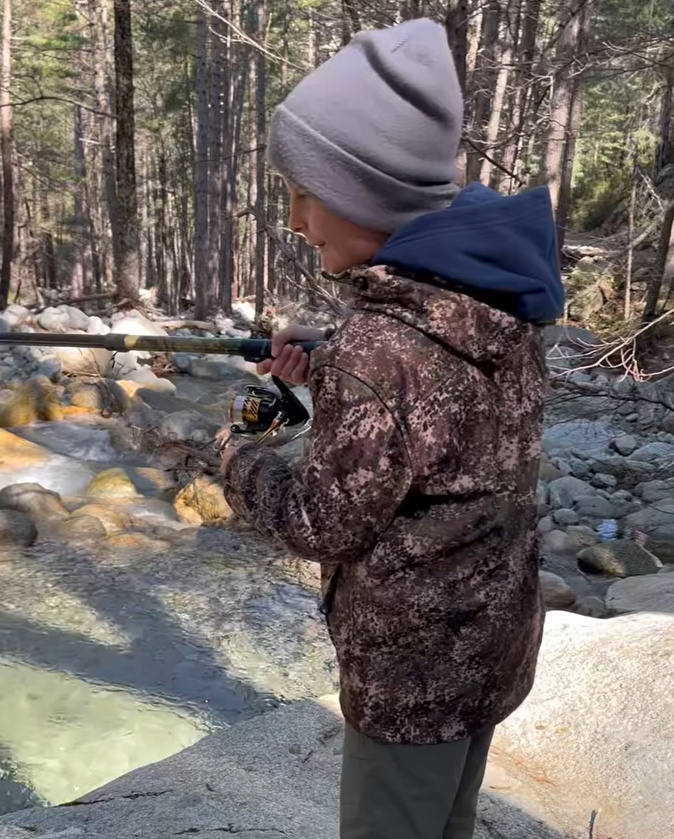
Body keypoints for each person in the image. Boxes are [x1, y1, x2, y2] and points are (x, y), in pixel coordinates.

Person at [219, 17, 564, 839]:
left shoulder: (385, 348)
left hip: (410, 675)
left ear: (364, 194)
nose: (298, 221)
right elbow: (440, 407)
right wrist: (335, 359)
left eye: (305, 194)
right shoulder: (491, 291)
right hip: (488, 646)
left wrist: (236, 457)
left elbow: (319, 520)